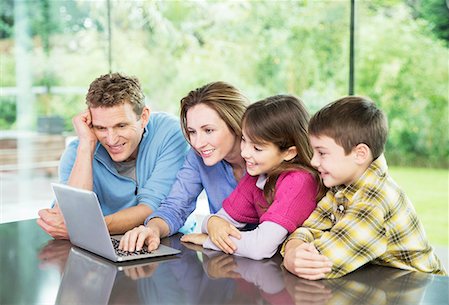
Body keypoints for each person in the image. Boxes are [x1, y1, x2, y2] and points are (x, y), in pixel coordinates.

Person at [282, 96, 446, 280]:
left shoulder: (374, 201)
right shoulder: (343, 186)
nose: (313, 161)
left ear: (360, 154)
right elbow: (310, 228)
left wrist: (292, 258)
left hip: (421, 288)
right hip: (383, 282)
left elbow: (323, 262)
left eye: (322, 153)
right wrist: (294, 249)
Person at [37, 73, 188, 239]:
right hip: (101, 246)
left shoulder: (170, 134)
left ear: (143, 117)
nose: (111, 139)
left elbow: (153, 208)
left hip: (167, 242)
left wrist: (88, 228)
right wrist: (86, 146)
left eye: (121, 126)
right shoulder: (78, 151)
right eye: (101, 128)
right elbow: (69, 215)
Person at [181, 95, 326, 260]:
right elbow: (222, 219)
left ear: (289, 152)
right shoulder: (257, 176)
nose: (245, 153)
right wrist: (212, 222)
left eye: (257, 148)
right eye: (244, 140)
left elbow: (261, 248)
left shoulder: (299, 181)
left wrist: (209, 240)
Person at [119, 81, 249, 252]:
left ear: (236, 123)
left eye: (208, 130)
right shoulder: (198, 157)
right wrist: (152, 229)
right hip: (230, 259)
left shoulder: (269, 158)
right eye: (192, 132)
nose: (198, 143)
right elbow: (176, 206)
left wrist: (207, 230)